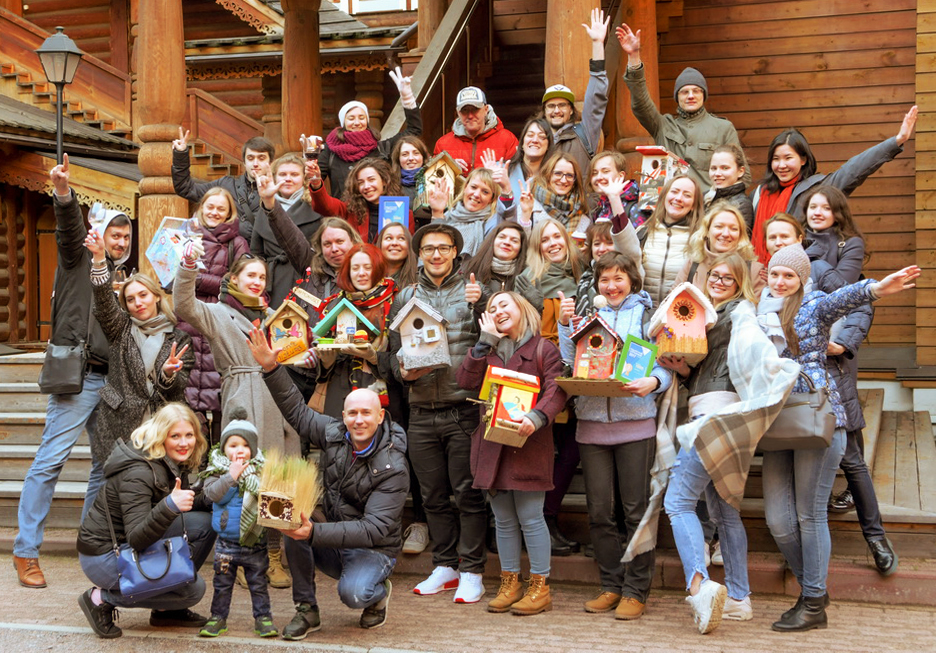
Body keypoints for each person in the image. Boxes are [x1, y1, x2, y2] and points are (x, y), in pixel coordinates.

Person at [756, 244, 919, 631]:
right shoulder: (758, 313)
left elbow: (842, 299)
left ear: (802, 279)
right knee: (778, 519)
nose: (781, 281)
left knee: (809, 514)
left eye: (789, 275)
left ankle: (813, 603)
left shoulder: (812, 305)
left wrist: (876, 289)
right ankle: (813, 588)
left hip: (820, 420)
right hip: (778, 422)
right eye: (775, 274)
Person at [13, 155, 130, 589]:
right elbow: (67, 229)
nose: (119, 242)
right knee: (50, 462)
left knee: (104, 465)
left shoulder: (126, 277)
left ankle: (91, 546)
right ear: (99, 234)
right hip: (77, 378)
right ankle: (26, 551)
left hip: (111, 381)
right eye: (114, 234)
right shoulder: (76, 258)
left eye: (125, 237)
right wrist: (63, 192)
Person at [770, 190, 898, 576]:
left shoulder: (820, 269)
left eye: (785, 236)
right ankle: (801, 553)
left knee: (851, 458)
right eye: (772, 238)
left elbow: (857, 301)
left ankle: (875, 538)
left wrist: (842, 345)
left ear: (799, 238)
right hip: (786, 392)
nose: (778, 243)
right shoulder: (767, 280)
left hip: (831, 371)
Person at [247, 330, 409, 633]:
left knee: (354, 594)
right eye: (352, 413)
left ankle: (378, 593)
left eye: (366, 413)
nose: (358, 420)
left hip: (373, 549)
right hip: (334, 538)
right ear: (343, 416)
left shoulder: (393, 466)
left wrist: (314, 532)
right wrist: (271, 368)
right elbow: (298, 413)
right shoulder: (335, 432)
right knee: (291, 519)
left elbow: (372, 529)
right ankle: (306, 610)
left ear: (380, 417)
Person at [173, 245, 299, 588]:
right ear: (233, 279)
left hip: (279, 397)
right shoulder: (218, 313)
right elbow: (183, 305)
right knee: (242, 478)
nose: (257, 282)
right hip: (243, 395)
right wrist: (188, 266)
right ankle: (243, 556)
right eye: (250, 276)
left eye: (262, 277)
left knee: (278, 478)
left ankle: (273, 554)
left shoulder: (275, 316)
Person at [557, 252, 672, 621]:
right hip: (591, 426)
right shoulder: (588, 316)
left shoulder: (648, 316)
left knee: (636, 511)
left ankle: (636, 590)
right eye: (604, 279)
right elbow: (569, 360)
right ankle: (610, 584)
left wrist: (653, 382)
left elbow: (666, 366)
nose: (611, 286)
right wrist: (564, 325)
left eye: (618, 278)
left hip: (636, 425)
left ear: (632, 281)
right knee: (600, 514)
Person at [385, 224, 488, 604]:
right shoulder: (405, 296)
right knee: (431, 496)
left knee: (468, 495)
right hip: (421, 410)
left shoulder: (474, 291)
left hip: (464, 408)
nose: (436, 255)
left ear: (456, 252)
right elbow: (391, 355)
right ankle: (445, 565)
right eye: (429, 249)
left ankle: (472, 570)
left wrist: (481, 304)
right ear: (420, 255)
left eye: (444, 248)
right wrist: (404, 374)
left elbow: (494, 341)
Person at [661, 252, 760, 634]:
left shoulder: (739, 313)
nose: (718, 282)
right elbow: (712, 369)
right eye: (714, 276)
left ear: (740, 283)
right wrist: (684, 370)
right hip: (722, 416)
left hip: (712, 418)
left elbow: (750, 353)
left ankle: (699, 588)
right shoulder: (711, 315)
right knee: (724, 511)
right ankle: (739, 598)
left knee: (678, 501)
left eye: (727, 278)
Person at [456, 291, 567, 615]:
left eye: (504, 304)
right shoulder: (487, 349)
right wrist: (483, 343)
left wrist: (537, 417)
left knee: (531, 518)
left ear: (523, 309)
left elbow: (557, 388)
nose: (498, 311)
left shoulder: (544, 349)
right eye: (492, 308)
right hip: (492, 446)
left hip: (529, 445)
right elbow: (465, 380)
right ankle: (510, 583)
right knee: (503, 520)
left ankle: (540, 587)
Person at [76, 403, 215, 639]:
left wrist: (220, 491)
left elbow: (183, 504)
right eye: (175, 436)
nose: (184, 443)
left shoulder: (168, 460)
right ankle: (100, 599)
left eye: (189, 435)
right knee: (192, 590)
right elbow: (137, 538)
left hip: (127, 542)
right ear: (161, 436)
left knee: (204, 524)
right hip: (105, 556)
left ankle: (166, 610)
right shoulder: (139, 471)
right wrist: (170, 505)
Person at [749, 106, 917, 264]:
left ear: (803, 159)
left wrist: (897, 141)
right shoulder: (758, 195)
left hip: (800, 275)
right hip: (757, 276)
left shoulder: (818, 188)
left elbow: (854, 169)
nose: (781, 165)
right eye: (776, 159)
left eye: (788, 158)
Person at [86, 234, 194, 465]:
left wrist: (167, 374)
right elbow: (104, 302)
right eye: (131, 299)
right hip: (120, 421)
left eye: (143, 295)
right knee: (113, 481)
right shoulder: (120, 329)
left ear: (156, 296)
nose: (138, 303)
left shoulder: (179, 338)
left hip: (162, 423)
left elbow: (178, 390)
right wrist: (98, 259)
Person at [616, 24, 747, 193]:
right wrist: (634, 57)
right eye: (684, 92)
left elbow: (743, 175)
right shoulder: (663, 126)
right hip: (672, 203)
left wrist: (720, 203)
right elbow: (641, 103)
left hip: (709, 205)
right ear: (677, 98)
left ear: (704, 95)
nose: (690, 96)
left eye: (696, 91)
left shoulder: (723, 128)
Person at [169, 187, 251, 446]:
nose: (214, 212)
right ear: (202, 207)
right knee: (189, 400)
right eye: (210, 206)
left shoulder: (237, 243)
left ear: (229, 213)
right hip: (187, 324)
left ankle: (222, 458)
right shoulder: (183, 237)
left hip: (220, 322)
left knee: (220, 400)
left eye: (221, 209)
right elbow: (169, 279)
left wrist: (195, 279)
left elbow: (240, 285)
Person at [198, 409, 277, 638]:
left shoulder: (262, 472)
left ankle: (263, 618)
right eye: (233, 445)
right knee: (222, 584)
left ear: (253, 448)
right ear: (224, 448)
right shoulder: (216, 471)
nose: (239, 450)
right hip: (226, 544)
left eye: (245, 445)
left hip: (255, 540)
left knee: (258, 584)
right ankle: (218, 617)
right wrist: (231, 477)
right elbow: (213, 495)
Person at [317, 67, 422, 196]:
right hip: (344, 208)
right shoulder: (330, 151)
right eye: (351, 118)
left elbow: (414, 130)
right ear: (343, 123)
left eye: (362, 118)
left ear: (367, 121)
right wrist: (310, 157)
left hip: (378, 207)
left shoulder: (381, 148)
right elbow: (314, 181)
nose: (357, 122)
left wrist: (407, 98)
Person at [539, 8, 610, 176]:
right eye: (551, 106)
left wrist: (597, 44)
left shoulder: (585, 133)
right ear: (544, 111)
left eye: (562, 105)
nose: (557, 110)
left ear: (571, 110)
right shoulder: (537, 140)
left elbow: (596, 98)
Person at [172, 131, 274, 240]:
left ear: (271, 162)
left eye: (261, 158)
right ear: (244, 162)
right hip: (226, 249)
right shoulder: (226, 184)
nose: (255, 163)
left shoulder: (278, 191)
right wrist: (180, 155)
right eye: (250, 158)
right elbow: (186, 189)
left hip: (260, 250)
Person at [250, 153, 323, 305]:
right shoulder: (264, 208)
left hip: (305, 280)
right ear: (274, 177)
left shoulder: (317, 207)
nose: (288, 179)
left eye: (294, 174)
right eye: (283, 174)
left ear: (304, 178)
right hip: (272, 282)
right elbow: (256, 252)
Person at [636, 174, 704, 307]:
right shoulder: (642, 233)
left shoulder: (700, 239)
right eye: (674, 191)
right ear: (664, 196)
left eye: (687, 195)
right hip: (641, 312)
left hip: (679, 313)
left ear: (693, 205)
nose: (678, 198)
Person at [308, 157, 410, 242]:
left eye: (371, 180)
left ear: (384, 181)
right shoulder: (350, 210)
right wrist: (316, 182)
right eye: (361, 182)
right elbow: (325, 206)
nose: (366, 186)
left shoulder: (402, 212)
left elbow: (406, 247)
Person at [429, 158, 515, 257]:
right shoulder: (449, 214)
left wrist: (506, 189)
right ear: (465, 187)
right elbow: (432, 248)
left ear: (491, 199)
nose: (477, 194)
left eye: (485, 192)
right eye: (473, 187)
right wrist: (437, 213)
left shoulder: (492, 221)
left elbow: (507, 216)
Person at [675, 202, 764, 293]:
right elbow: (673, 299)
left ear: (740, 235)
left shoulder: (753, 270)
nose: (725, 234)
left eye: (733, 229)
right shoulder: (692, 264)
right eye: (719, 227)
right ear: (707, 231)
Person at [433, 86, 519, 173]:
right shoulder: (443, 144)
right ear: (458, 112)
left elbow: (517, 175)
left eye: (475, 109)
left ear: (486, 109)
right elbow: (431, 177)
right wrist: (448, 169)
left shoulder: (507, 140)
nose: (470, 116)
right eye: (464, 110)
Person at [461, 222, 544, 312]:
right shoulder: (469, 270)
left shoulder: (527, 277)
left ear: (520, 248)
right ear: (492, 241)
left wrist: (536, 307)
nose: (507, 242)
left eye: (514, 241)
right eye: (502, 237)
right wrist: (479, 301)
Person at [518, 153, 589, 234]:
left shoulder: (582, 216)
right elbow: (521, 240)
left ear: (575, 181)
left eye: (569, 175)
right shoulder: (529, 205)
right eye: (558, 173)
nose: (563, 180)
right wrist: (526, 215)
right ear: (548, 175)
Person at [503, 117, 555, 204]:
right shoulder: (504, 171)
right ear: (522, 143)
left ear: (548, 146)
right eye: (530, 135)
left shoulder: (555, 178)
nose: (535, 140)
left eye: (542, 137)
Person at [705, 144, 753, 231]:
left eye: (725, 168)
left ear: (740, 171)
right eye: (713, 168)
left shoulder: (742, 204)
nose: (717, 173)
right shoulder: (704, 197)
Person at [377, 221, 418, 289]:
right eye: (389, 238)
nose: (394, 243)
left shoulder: (420, 281)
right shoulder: (368, 277)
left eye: (401, 238)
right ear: (380, 244)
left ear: (409, 245)